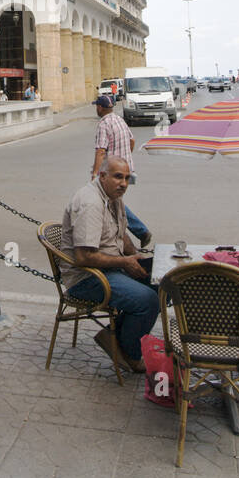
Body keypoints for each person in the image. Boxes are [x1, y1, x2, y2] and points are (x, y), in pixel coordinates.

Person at [61, 157, 159, 372]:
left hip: (110, 268)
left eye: (126, 178)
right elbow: (84, 258)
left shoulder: (112, 196)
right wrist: (125, 262)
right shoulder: (91, 203)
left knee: (162, 284)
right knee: (148, 300)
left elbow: (121, 233)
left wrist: (136, 258)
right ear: (102, 176)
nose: (123, 183)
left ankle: (113, 338)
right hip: (87, 278)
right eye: (117, 177)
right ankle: (129, 353)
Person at [91, 94, 151, 248]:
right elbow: (132, 140)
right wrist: (125, 159)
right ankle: (131, 234)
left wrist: (95, 174)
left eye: (96, 106)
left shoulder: (104, 124)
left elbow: (101, 151)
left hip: (112, 173)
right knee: (113, 202)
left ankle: (138, 233)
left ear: (100, 107)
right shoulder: (119, 120)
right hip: (126, 169)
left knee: (111, 202)